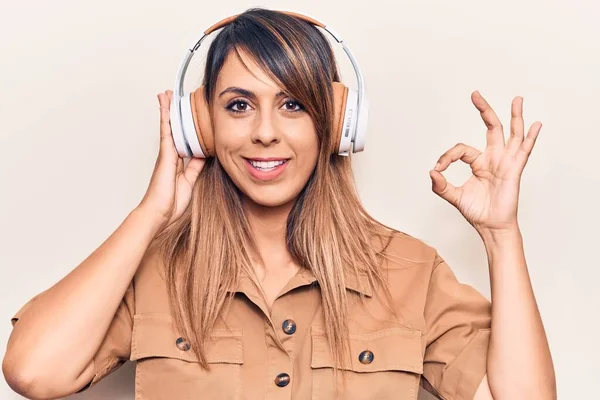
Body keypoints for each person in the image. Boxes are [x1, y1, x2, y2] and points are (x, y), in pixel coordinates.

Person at [3, 7, 556, 400]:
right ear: (200, 128)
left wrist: (502, 236)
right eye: (239, 105)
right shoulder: (154, 274)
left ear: (335, 125)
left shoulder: (408, 273)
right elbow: (33, 372)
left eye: (293, 104)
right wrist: (150, 215)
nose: (265, 132)